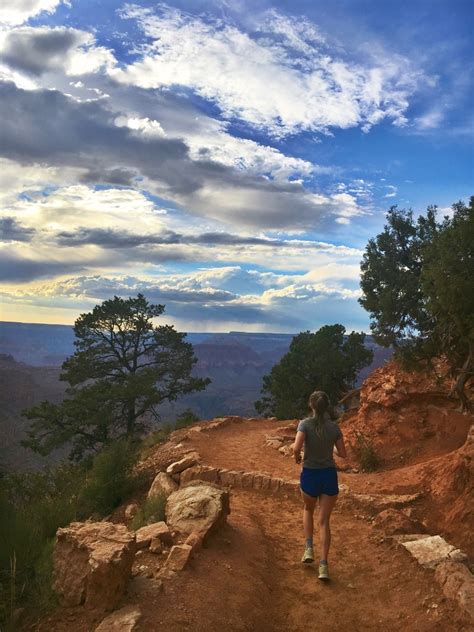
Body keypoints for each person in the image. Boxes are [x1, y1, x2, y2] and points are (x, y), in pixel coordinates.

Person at [293, 390, 347, 581]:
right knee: (324, 522)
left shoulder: (304, 424)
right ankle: (323, 566)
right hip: (328, 475)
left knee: (308, 510)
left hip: (310, 474)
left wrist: (297, 456)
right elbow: (343, 453)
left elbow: (296, 447)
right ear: (327, 407)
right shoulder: (334, 428)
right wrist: (329, 447)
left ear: (311, 405)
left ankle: (309, 548)